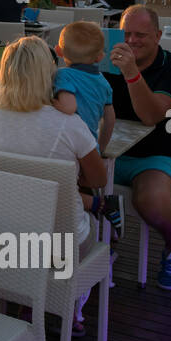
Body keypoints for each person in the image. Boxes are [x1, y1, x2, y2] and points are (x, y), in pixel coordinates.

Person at [0, 37, 108, 335]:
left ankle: (31, 295)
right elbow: (99, 179)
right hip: (60, 244)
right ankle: (68, 303)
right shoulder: (69, 124)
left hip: (8, 235)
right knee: (89, 225)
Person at [105, 7, 171, 290]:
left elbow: (151, 115)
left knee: (151, 200)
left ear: (158, 36)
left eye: (141, 35)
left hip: (163, 154)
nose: (132, 41)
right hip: (111, 151)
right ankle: (98, 244)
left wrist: (131, 73)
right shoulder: (106, 66)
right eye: (126, 34)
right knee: (64, 180)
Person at [52, 22, 120, 234]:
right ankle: (104, 226)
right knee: (82, 188)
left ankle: (86, 223)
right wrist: (100, 147)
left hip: (70, 147)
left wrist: (50, 102)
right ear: (100, 57)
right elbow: (110, 118)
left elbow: (69, 107)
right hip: (89, 147)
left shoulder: (64, 76)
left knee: (61, 189)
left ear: (59, 51)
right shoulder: (103, 82)